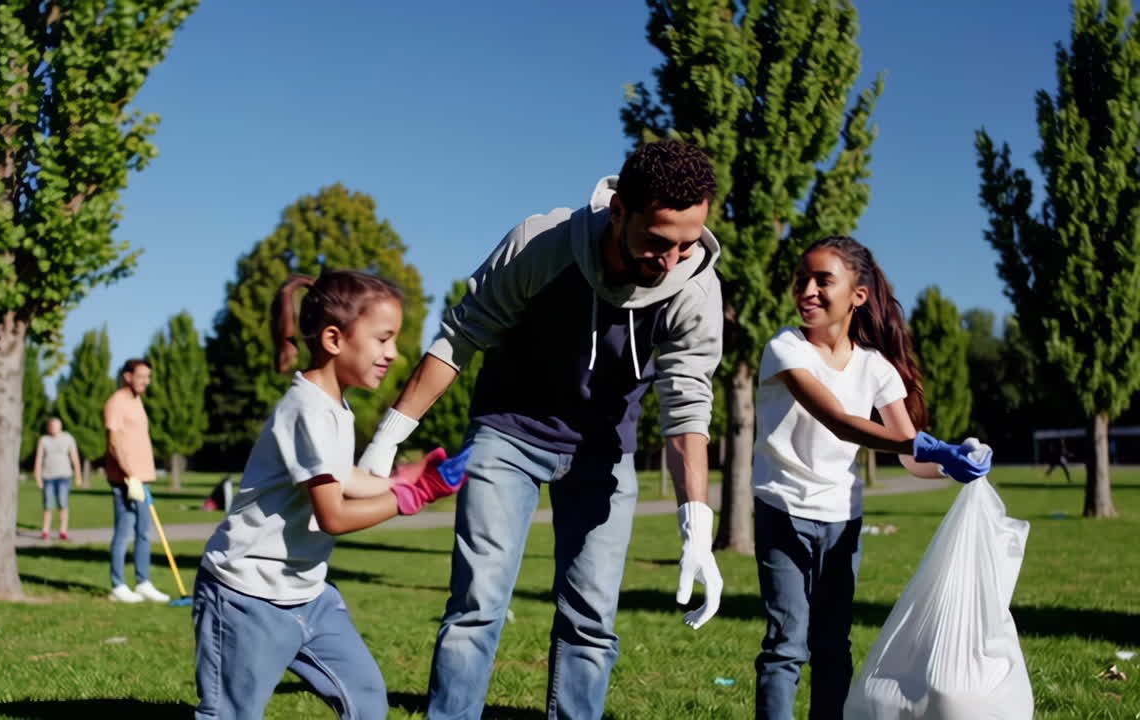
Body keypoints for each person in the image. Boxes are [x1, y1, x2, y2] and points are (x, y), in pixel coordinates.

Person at [357, 140, 725, 719]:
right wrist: (388, 439)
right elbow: (462, 335)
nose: (673, 258)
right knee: (478, 602)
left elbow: (687, 410)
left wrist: (696, 524)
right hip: (509, 434)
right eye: (658, 241)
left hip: (603, 452)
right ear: (620, 210)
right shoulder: (543, 242)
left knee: (592, 617)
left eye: (687, 241)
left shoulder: (695, 286)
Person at [192, 271, 470, 720]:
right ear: (334, 338)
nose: (393, 354)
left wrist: (404, 477)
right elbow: (333, 515)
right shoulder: (306, 410)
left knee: (366, 701)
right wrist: (410, 497)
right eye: (383, 339)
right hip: (245, 597)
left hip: (308, 594)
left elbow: (346, 478)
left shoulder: (334, 406)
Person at [751, 236, 992, 719]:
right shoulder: (786, 348)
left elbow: (909, 455)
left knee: (834, 646)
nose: (808, 291)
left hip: (842, 519)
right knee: (787, 645)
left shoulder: (875, 367)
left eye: (824, 280)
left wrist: (955, 460)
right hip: (782, 509)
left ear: (857, 295)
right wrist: (922, 443)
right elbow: (838, 419)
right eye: (803, 280)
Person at [103, 357, 169, 604]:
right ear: (128, 376)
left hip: (142, 478)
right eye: (141, 376)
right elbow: (114, 442)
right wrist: (129, 474)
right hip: (127, 479)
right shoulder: (116, 402)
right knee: (123, 532)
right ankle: (118, 585)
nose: (145, 381)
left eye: (147, 377)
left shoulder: (137, 401)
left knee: (143, 532)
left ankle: (143, 582)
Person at [34, 417, 82, 540]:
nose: (54, 428)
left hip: (64, 476)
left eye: (56, 425)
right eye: (52, 426)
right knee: (48, 505)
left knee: (62, 503)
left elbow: (74, 457)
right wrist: (38, 477)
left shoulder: (68, 438)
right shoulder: (44, 440)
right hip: (48, 476)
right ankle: (45, 531)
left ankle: (63, 531)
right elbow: (38, 459)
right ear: (48, 427)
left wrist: (78, 475)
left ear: (60, 426)